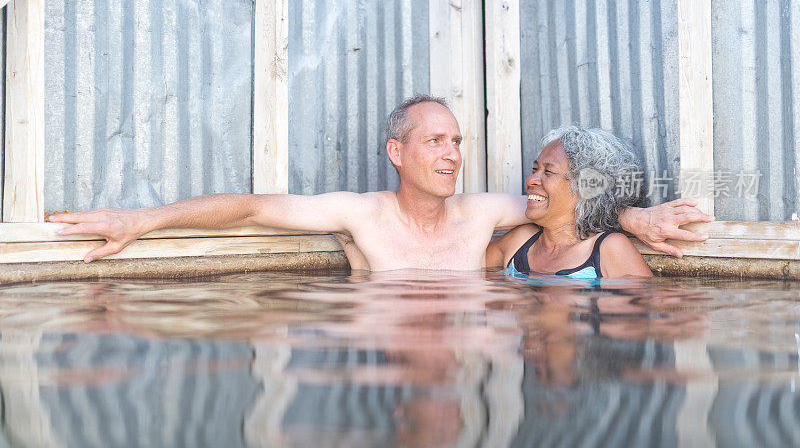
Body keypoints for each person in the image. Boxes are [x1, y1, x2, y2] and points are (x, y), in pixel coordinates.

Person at [49, 96, 713, 270]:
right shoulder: (361, 214)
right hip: (383, 348)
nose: (453, 155)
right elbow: (251, 208)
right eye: (436, 141)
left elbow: (566, 207)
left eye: (458, 141)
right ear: (397, 151)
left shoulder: (485, 212)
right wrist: (141, 220)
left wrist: (637, 219)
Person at [485, 125, 652, 278]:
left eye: (548, 172)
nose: (531, 181)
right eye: (535, 169)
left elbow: (646, 307)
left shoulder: (609, 249)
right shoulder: (519, 241)